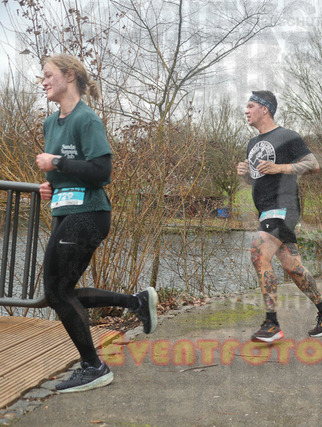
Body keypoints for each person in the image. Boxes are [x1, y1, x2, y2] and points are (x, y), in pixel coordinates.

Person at [36, 54, 158, 393]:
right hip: (65, 213)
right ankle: (136, 302)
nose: (43, 82)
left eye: (48, 75)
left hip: (89, 214)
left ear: (69, 76)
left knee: (56, 292)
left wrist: (57, 162)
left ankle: (94, 366)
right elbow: (67, 173)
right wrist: (51, 185)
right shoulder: (50, 124)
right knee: (61, 292)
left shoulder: (86, 119)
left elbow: (101, 171)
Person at [236, 90, 322, 342]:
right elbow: (259, 178)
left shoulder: (287, 136)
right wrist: (245, 174)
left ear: (265, 109)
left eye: (250, 106)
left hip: (284, 207)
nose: (246, 111)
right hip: (266, 210)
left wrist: (279, 167)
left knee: (258, 253)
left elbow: (313, 165)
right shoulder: (252, 143)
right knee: (293, 267)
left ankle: (271, 324)